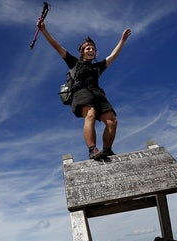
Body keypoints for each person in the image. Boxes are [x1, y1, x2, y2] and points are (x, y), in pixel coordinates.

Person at [38, 21, 131, 159]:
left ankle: (107, 150)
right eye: (87, 48)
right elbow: (57, 46)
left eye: (93, 49)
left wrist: (122, 40)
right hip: (81, 91)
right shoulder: (74, 62)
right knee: (90, 115)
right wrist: (44, 30)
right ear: (82, 52)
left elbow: (113, 55)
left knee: (112, 120)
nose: (91, 50)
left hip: (98, 93)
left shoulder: (98, 67)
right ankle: (93, 150)